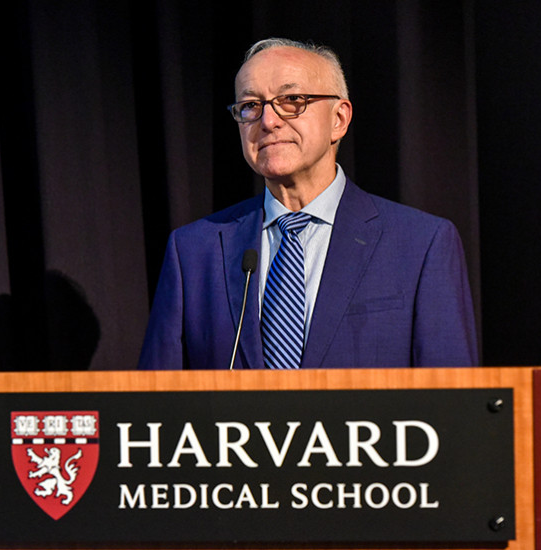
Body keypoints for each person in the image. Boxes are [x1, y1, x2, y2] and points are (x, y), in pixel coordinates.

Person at [138, 37, 477, 370]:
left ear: (339, 119)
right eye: (251, 106)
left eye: (292, 100)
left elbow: (455, 404)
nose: (268, 122)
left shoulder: (421, 244)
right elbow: (155, 406)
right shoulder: (193, 251)